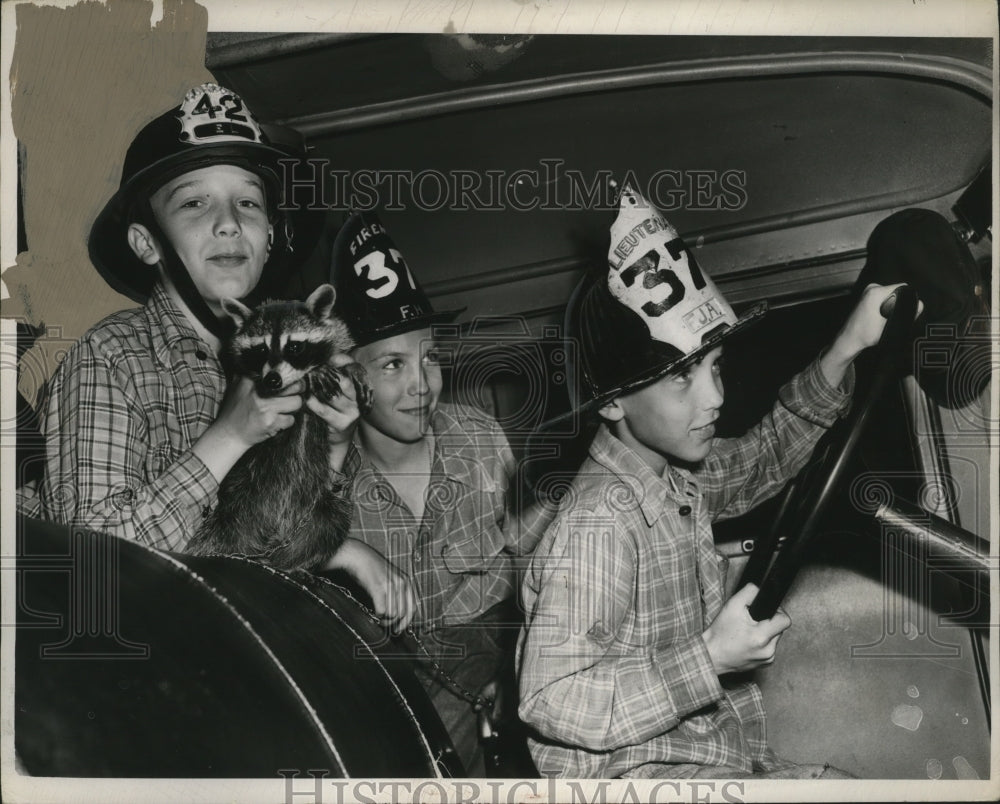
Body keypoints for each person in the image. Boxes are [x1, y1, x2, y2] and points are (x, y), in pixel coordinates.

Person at [516, 185, 915, 779]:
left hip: (711, 760)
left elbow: (761, 458)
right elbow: (549, 698)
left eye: (715, 365)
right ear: (612, 402)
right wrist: (708, 657)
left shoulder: (674, 480)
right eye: (682, 378)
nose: (716, 397)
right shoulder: (599, 524)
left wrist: (847, 347)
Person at [23, 83, 400, 605]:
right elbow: (91, 573)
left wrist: (334, 454)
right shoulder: (110, 358)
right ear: (147, 243)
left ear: (270, 235)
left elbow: (266, 549)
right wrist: (231, 435)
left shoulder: (286, 362)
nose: (228, 224)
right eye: (195, 203)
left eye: (248, 202)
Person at [329, 210, 550, 775]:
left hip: (505, 685)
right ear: (345, 375)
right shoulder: (324, 474)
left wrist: (517, 670)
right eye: (392, 364)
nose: (420, 384)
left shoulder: (478, 438)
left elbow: (523, 563)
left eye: (429, 356)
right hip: (395, 713)